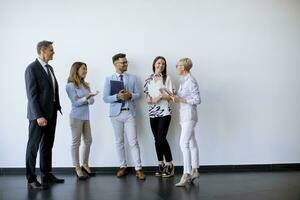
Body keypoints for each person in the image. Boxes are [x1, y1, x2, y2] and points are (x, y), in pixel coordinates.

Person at [25, 40, 64, 190]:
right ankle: (31, 178)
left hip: (52, 112)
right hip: (39, 116)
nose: (53, 52)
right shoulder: (32, 69)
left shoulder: (50, 68)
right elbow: (32, 96)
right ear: (43, 51)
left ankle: (46, 173)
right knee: (33, 146)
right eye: (51, 50)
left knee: (47, 145)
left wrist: (56, 107)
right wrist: (39, 116)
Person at [102, 53, 145, 180]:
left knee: (133, 141)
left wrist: (130, 95)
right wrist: (117, 97)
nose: (126, 64)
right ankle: (123, 166)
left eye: (126, 62)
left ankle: (138, 169)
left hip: (129, 113)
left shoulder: (133, 78)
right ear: (116, 64)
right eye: (123, 62)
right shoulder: (108, 79)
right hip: (115, 114)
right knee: (119, 141)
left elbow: (139, 95)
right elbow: (105, 98)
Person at [66, 62, 99, 180]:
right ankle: (77, 167)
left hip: (86, 117)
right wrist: (87, 98)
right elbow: (75, 102)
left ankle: (85, 164)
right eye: (83, 69)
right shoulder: (70, 85)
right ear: (76, 70)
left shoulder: (85, 85)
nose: (85, 71)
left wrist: (87, 98)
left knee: (88, 140)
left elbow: (92, 102)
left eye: (86, 69)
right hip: (76, 117)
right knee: (76, 143)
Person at [171, 58, 201, 187]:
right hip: (184, 116)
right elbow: (183, 97)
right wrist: (174, 96)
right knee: (192, 142)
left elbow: (197, 99)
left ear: (183, 67)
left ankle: (186, 173)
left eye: (177, 65)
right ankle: (194, 170)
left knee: (183, 143)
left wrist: (181, 100)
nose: (176, 67)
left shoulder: (191, 80)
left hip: (189, 116)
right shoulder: (183, 81)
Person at [144, 56, 174, 177]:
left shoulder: (167, 78)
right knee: (157, 140)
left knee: (162, 138)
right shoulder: (148, 79)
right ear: (154, 64)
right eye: (158, 63)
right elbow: (147, 98)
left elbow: (171, 96)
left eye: (163, 64)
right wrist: (151, 101)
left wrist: (160, 97)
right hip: (153, 112)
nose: (160, 65)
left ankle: (170, 164)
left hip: (165, 112)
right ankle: (160, 163)